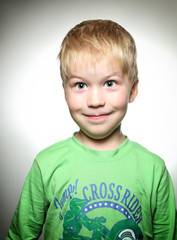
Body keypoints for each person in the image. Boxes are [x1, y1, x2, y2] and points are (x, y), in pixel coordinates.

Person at [6, 19, 176, 240]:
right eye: (80, 85)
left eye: (109, 83)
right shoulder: (46, 164)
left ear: (132, 90)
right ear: (65, 92)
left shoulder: (154, 170)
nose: (95, 101)